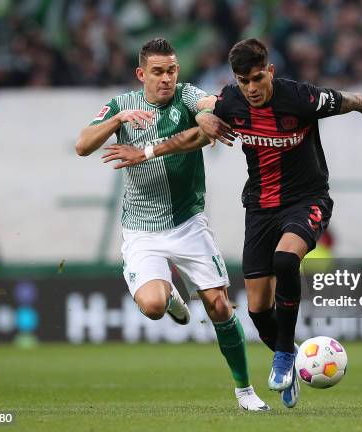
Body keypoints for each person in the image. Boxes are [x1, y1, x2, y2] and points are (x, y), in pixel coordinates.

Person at [101, 38, 362, 408]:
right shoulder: (233, 103)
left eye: (257, 78)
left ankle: (285, 357)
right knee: (258, 310)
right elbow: (196, 136)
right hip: (260, 208)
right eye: (244, 81)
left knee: (286, 260)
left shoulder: (300, 99)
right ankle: (288, 353)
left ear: (270, 71)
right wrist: (147, 150)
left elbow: (356, 100)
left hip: (308, 200)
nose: (252, 88)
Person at [75, 38, 268, 412]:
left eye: (172, 70)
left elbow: (208, 106)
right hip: (141, 229)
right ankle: (173, 300)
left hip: (188, 223)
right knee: (151, 305)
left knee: (220, 308)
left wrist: (205, 114)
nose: (167, 78)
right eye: (159, 72)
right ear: (141, 73)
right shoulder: (121, 105)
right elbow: (82, 145)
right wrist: (116, 121)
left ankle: (244, 391)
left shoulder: (186, 94)